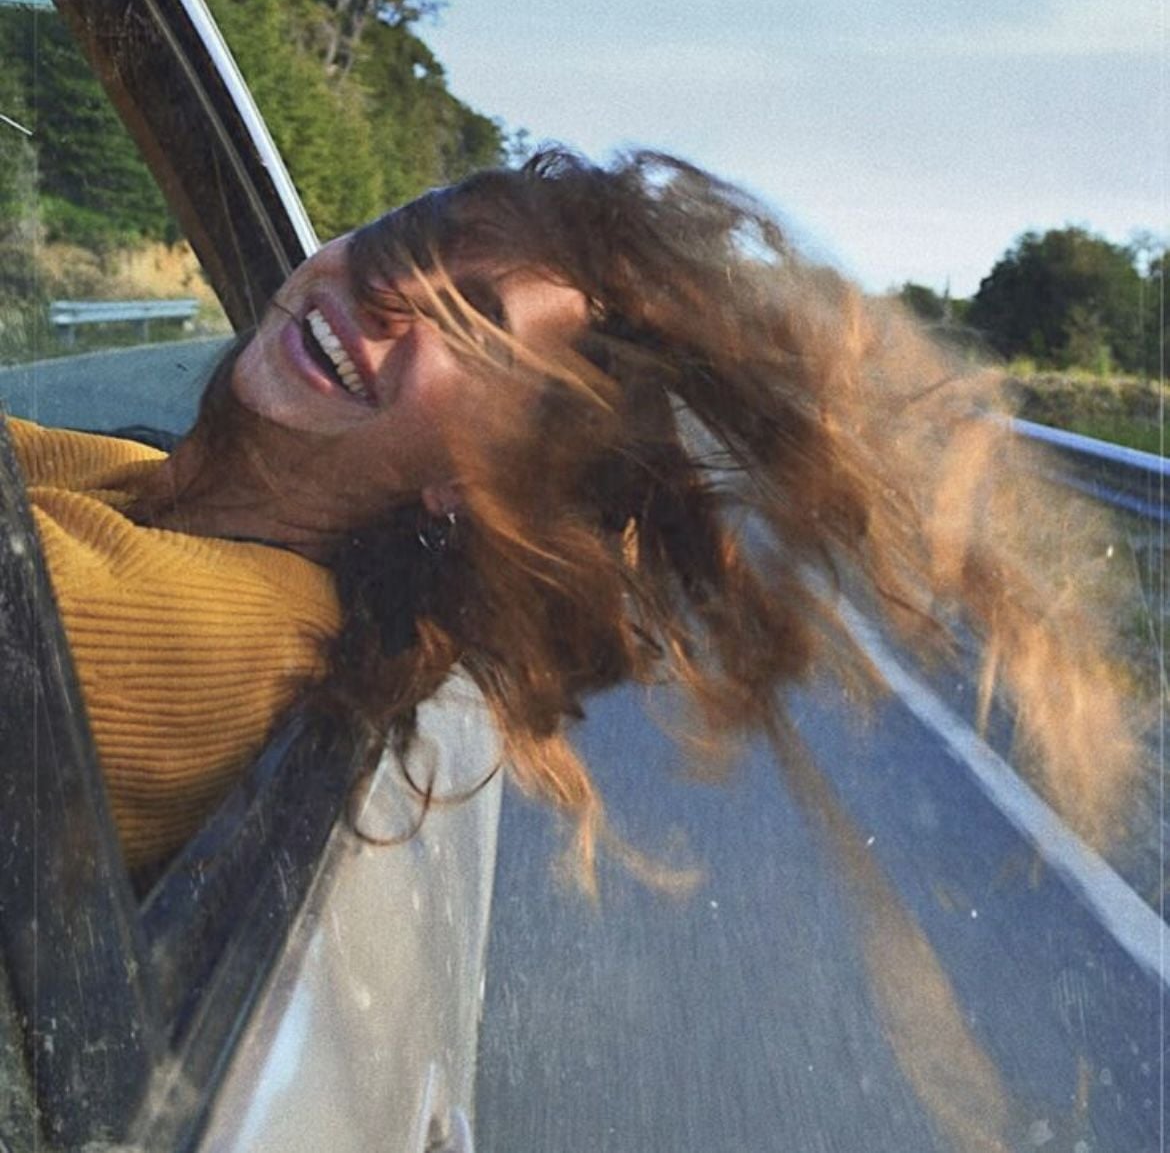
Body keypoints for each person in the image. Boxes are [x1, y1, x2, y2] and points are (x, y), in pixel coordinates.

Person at [8, 148, 1142, 884]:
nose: (385, 293)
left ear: (482, 481)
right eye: (405, 243)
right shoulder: (141, 486)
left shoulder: (179, 641)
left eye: (472, 329)